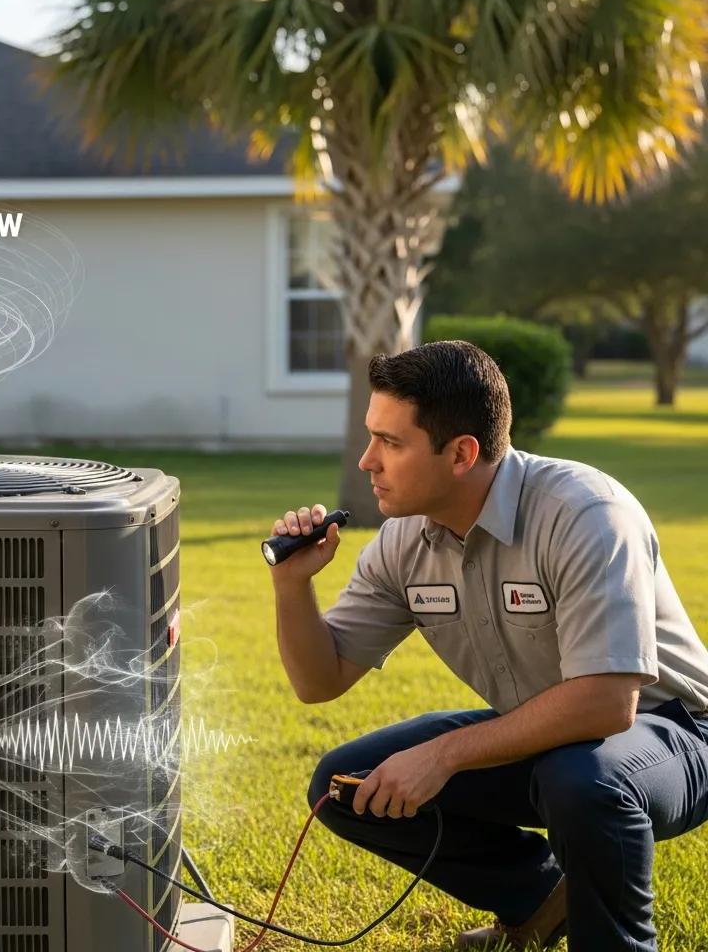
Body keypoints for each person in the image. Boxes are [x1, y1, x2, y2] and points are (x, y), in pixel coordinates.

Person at [269, 340, 708, 952]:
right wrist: (292, 586)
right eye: (371, 437)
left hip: (676, 731)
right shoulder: (404, 542)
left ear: (462, 454)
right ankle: (538, 899)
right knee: (345, 785)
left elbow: (609, 704)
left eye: (391, 443)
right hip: (551, 738)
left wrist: (444, 755)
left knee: (580, 781)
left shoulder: (586, 513)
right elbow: (320, 681)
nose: (367, 460)